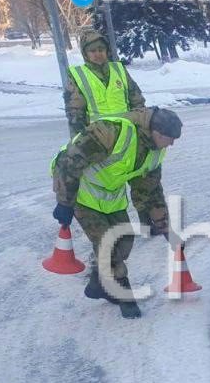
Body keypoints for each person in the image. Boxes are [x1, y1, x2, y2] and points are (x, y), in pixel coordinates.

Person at [50, 107, 182, 319]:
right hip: (79, 190)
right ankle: (124, 295)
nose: (172, 144)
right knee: (107, 245)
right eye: (170, 138)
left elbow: (149, 190)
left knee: (124, 242)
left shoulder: (155, 149)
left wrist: (162, 225)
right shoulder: (112, 131)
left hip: (109, 196)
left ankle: (98, 284)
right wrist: (65, 202)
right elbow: (69, 161)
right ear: (156, 132)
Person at [65, 28, 145, 137]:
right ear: (85, 54)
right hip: (98, 138)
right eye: (92, 51)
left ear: (106, 51)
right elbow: (75, 113)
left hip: (126, 132)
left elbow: (137, 101)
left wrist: (142, 128)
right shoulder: (78, 75)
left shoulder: (119, 69)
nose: (98, 54)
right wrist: (80, 142)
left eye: (101, 49)